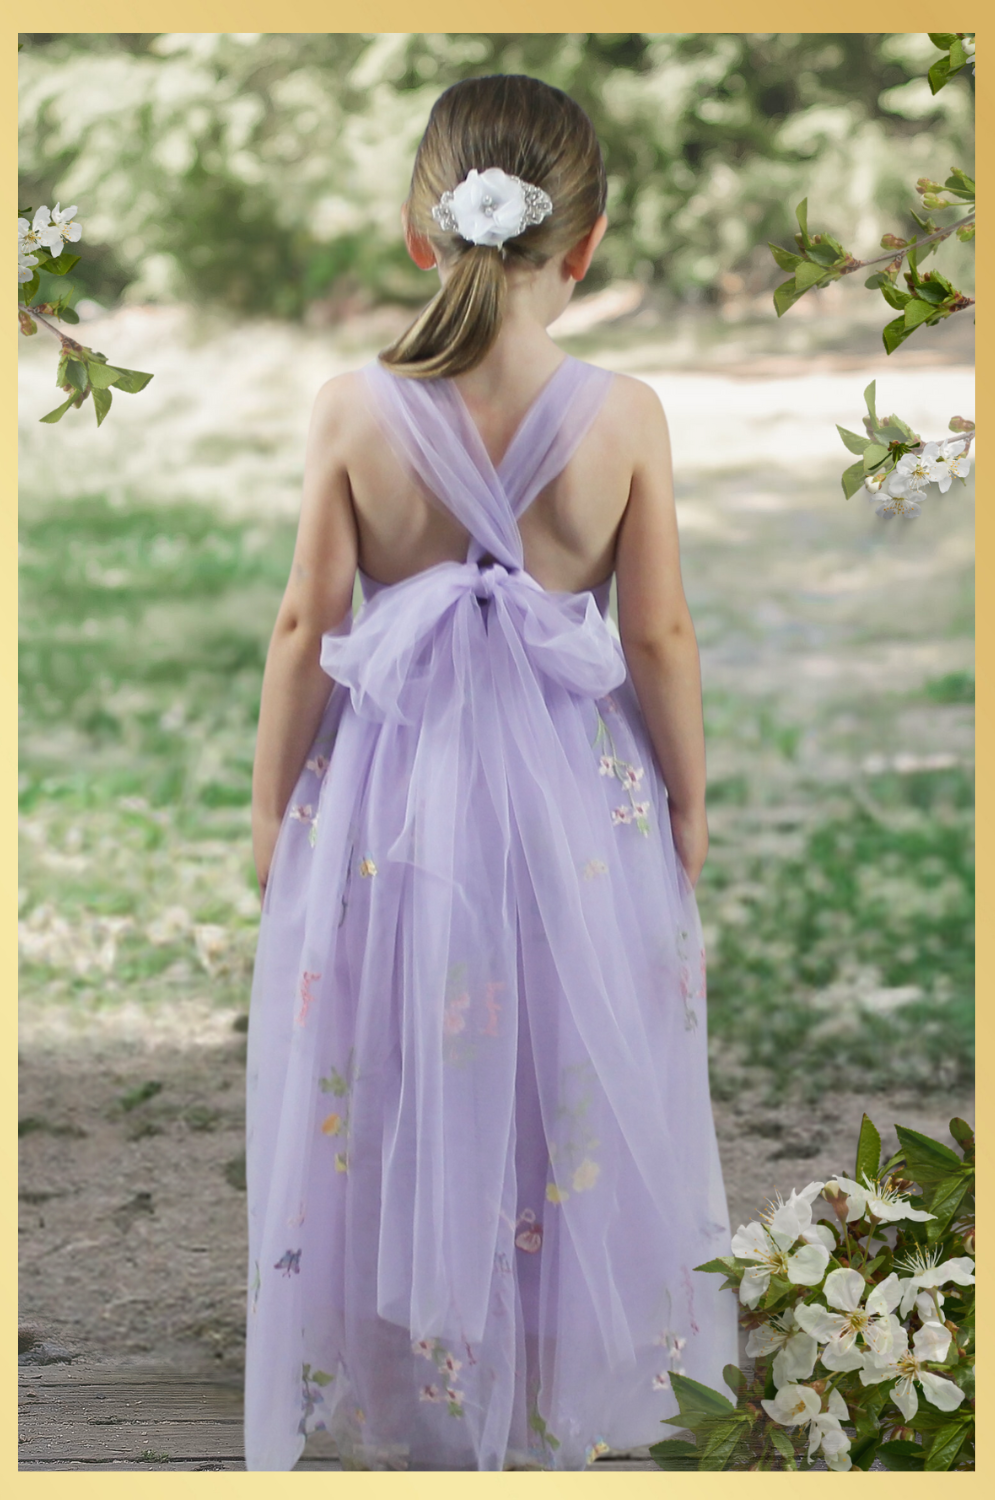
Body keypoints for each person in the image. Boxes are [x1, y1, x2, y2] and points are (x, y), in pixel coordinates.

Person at [244, 72, 737, 1473]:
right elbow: (659, 631)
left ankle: (413, 1347)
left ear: (423, 231)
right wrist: (689, 801)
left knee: (400, 1040)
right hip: (581, 803)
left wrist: (272, 806)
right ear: (583, 249)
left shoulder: (355, 408)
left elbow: (304, 627)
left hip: (395, 799)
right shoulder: (624, 412)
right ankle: (550, 1338)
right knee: (565, 1045)